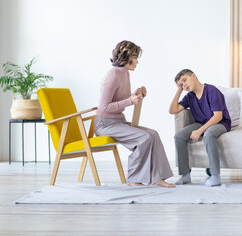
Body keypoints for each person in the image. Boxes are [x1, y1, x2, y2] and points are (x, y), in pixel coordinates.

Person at [95, 40, 175, 188]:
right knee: (143, 137)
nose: (137, 61)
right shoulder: (112, 75)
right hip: (105, 124)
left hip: (118, 121)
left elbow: (120, 98)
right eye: (135, 57)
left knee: (153, 134)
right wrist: (130, 101)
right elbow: (104, 107)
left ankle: (158, 177)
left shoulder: (124, 73)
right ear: (126, 57)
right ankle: (133, 178)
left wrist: (136, 95)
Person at [169, 69, 231, 187]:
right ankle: (185, 175)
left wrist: (200, 131)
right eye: (181, 84)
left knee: (208, 134)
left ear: (194, 76)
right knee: (179, 136)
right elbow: (173, 110)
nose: (184, 85)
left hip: (221, 123)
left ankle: (215, 175)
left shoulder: (212, 90)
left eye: (185, 80)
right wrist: (179, 90)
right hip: (202, 123)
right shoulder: (189, 96)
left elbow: (218, 116)